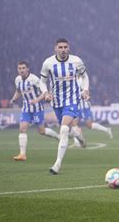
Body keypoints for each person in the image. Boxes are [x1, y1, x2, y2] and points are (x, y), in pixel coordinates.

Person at [39, 38, 88, 174]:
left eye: (65, 47)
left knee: (64, 129)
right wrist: (45, 92)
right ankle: (78, 134)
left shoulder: (76, 61)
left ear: (69, 48)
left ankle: (57, 164)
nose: (63, 50)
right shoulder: (48, 63)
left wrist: (85, 89)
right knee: (67, 130)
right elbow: (42, 82)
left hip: (72, 99)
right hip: (56, 102)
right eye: (60, 47)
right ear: (55, 48)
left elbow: (85, 77)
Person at [10, 61, 60, 161]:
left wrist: (36, 100)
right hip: (26, 108)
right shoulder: (17, 79)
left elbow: (44, 92)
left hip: (37, 108)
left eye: (23, 68)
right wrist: (14, 98)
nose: (21, 70)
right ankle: (22, 155)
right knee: (22, 129)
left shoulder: (34, 79)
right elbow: (18, 91)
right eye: (19, 68)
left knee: (41, 131)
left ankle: (58, 137)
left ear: (27, 69)